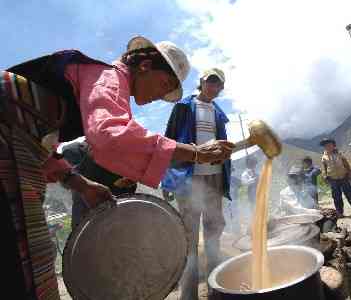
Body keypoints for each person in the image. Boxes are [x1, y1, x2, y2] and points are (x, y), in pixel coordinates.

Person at [1, 37, 233, 299]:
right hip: (7, 142)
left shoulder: (87, 92)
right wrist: (195, 152)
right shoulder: (107, 76)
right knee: (27, 259)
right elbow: (109, 135)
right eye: (164, 85)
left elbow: (42, 149)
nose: (160, 96)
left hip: (19, 147)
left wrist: (81, 184)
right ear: (145, 65)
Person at [161, 68, 231, 300]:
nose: (213, 87)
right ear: (201, 82)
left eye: (218, 84)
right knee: (189, 238)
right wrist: (168, 179)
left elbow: (221, 147)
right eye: (210, 82)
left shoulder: (219, 114)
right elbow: (169, 142)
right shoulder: (183, 107)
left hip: (214, 178)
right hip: (189, 180)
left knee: (214, 233)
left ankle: (215, 289)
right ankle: (188, 295)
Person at [320, 138, 351, 218]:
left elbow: (346, 164)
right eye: (326, 145)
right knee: (336, 197)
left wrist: (350, 173)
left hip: (343, 177)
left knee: (349, 195)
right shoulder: (324, 157)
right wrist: (325, 177)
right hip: (333, 179)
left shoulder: (339, 154)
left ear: (333, 145)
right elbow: (324, 168)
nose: (328, 147)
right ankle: (340, 212)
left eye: (329, 145)